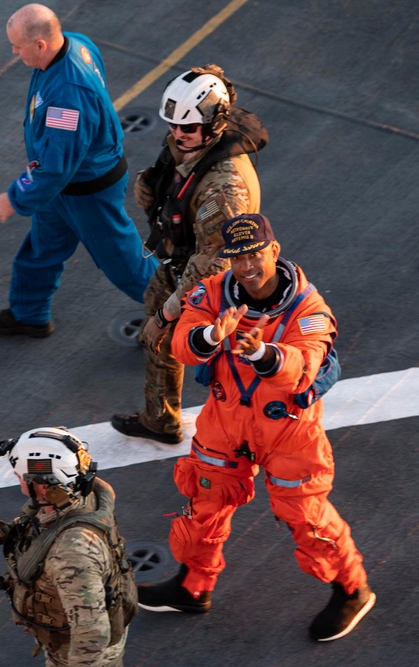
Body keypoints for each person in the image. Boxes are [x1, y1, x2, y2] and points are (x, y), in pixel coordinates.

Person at [137, 214, 376, 642]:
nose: (246, 266)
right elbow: (182, 344)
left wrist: (263, 354)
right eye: (237, 258)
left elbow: (305, 366)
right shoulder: (212, 293)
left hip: (289, 431)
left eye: (254, 254)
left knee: (306, 517)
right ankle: (193, 587)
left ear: (274, 250)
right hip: (225, 422)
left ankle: (352, 590)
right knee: (204, 504)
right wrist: (211, 336)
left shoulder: (310, 310)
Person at [111, 64, 268, 444]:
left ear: (214, 124)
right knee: (157, 327)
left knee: (224, 358)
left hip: (209, 278)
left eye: (189, 127)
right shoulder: (197, 142)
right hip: (179, 262)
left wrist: (167, 315)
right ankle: (160, 417)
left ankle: (244, 430)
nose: (178, 133)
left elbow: (213, 261)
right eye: (174, 125)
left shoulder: (222, 189)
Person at [0, 4, 157, 338]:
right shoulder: (76, 43)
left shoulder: (68, 97)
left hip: (87, 192)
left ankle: (186, 316)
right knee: (42, 249)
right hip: (65, 188)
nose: (14, 52)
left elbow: (55, 167)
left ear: (40, 45)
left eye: (17, 46)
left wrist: (14, 198)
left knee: (126, 265)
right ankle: (29, 314)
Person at [0, 426, 137, 665]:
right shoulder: (75, 493)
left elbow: (92, 637)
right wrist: (9, 531)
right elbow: (43, 524)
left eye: (20, 476)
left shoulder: (71, 555)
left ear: (43, 486)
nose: (17, 479)